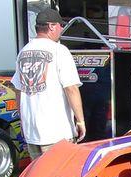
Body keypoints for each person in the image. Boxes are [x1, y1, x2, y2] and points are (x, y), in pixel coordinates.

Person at [11, 8, 85, 160]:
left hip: (32, 132)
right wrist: (81, 121)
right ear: (51, 26)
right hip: (57, 133)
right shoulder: (60, 50)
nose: (62, 29)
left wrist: (23, 122)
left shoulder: (23, 52)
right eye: (60, 25)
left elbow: (18, 91)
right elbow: (71, 88)